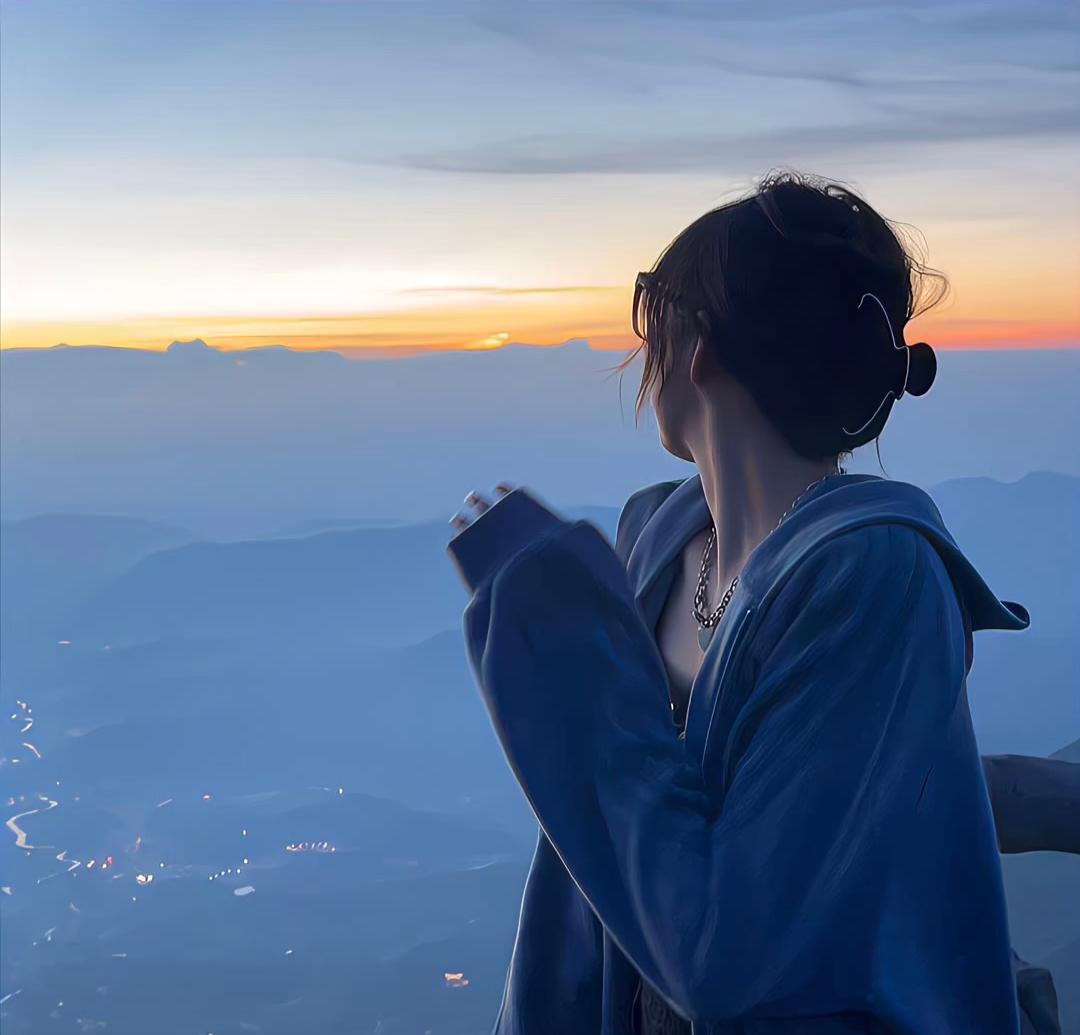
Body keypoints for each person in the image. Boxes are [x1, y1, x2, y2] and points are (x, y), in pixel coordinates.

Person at [445, 170, 1079, 1034]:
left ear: (698, 343)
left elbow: (729, 963)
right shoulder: (655, 535)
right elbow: (861, 787)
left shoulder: (872, 579)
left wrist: (567, 657)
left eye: (652, 309)